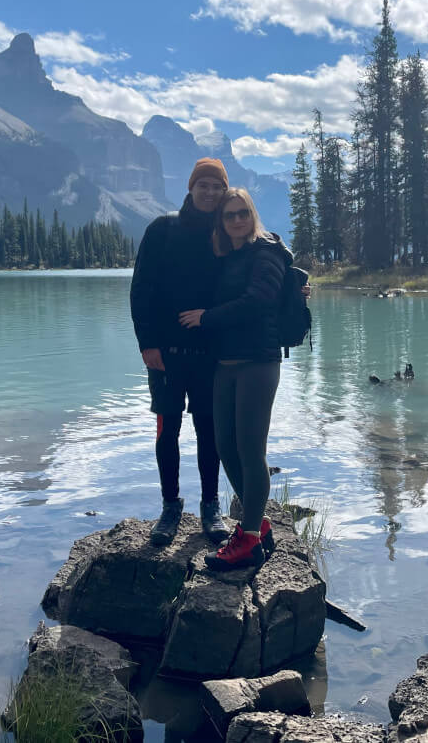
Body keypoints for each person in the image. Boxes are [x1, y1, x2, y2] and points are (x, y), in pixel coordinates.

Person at [178, 188, 291, 570]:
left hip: (258, 362)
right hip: (225, 364)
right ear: (222, 222)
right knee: (225, 446)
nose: (237, 220)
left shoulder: (266, 251)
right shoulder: (229, 255)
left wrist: (207, 317)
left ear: (252, 214)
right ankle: (257, 525)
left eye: (243, 213)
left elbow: (260, 299)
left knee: (250, 449)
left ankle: (248, 541)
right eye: (230, 215)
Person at [130, 158, 233, 546]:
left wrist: (297, 290)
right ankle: (170, 507)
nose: (210, 192)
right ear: (191, 188)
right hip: (166, 354)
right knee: (166, 429)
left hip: (210, 353)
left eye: (217, 186)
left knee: (209, 430)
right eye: (203, 185)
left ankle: (210, 506)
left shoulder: (228, 232)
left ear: (224, 191)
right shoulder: (162, 229)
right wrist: (147, 345)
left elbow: (261, 267)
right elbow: (141, 291)